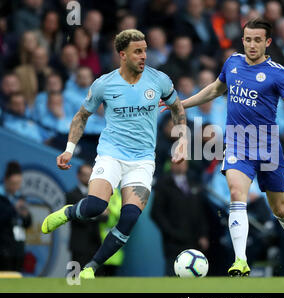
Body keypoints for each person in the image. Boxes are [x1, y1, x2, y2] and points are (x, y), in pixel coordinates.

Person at [161, 18, 284, 278]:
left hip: (268, 144)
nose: (251, 44)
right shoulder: (232, 63)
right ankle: (241, 261)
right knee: (236, 194)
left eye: (257, 40)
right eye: (247, 39)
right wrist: (182, 104)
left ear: (267, 42)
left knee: (281, 210)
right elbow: (215, 89)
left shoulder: (277, 72)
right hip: (237, 141)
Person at [40, 29, 187, 279]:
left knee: (130, 217)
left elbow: (177, 107)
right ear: (122, 54)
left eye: (145, 51)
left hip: (142, 160)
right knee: (96, 206)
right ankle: (67, 212)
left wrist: (183, 138)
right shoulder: (105, 84)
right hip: (111, 154)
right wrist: (68, 150)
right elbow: (81, 116)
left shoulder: (159, 80)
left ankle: (92, 267)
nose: (143, 56)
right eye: (137, 52)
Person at [151, 160, 209, 276]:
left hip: (193, 239)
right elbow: (156, 213)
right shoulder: (163, 184)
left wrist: (203, 234)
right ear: (171, 164)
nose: (181, 165)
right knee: (172, 272)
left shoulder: (193, 184)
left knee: (194, 272)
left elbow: (201, 212)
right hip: (173, 242)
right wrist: (171, 232)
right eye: (178, 162)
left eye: (183, 162)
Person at [0, 161, 32, 272]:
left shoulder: (20, 197)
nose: (16, 187)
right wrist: (13, 209)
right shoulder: (1, 198)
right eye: (13, 183)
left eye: (18, 183)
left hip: (18, 250)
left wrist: (26, 215)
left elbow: (27, 224)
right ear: (6, 181)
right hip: (3, 250)